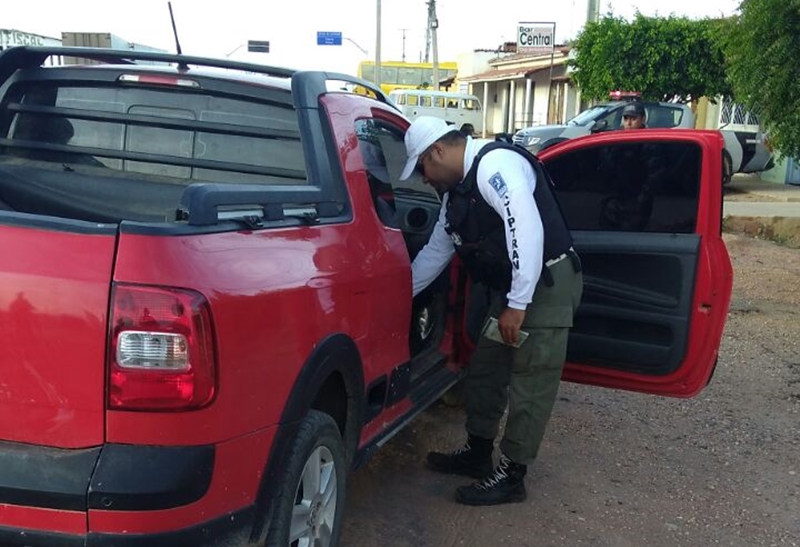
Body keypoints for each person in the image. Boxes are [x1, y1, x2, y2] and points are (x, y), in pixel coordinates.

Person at [399, 116, 583, 506]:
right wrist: (398, 296)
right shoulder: (456, 194)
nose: (423, 178)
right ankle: (479, 453)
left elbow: (526, 230)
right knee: (486, 368)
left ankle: (512, 474)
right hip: (513, 286)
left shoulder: (495, 167)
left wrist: (518, 304)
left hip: (545, 283)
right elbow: (436, 251)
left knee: (531, 380)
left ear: (438, 151)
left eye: (422, 168)